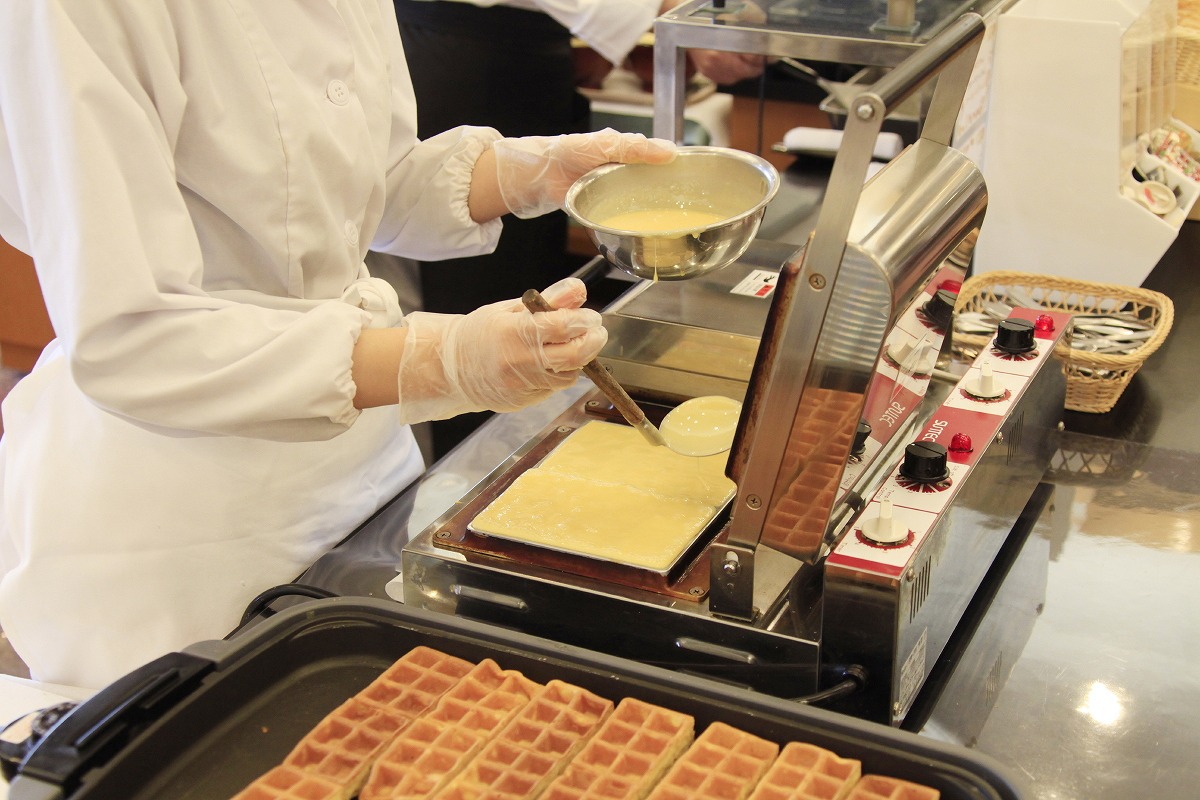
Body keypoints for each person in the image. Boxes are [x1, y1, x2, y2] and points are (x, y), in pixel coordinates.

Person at [0, 2, 676, 690]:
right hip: (178, 520)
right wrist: (441, 360)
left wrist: (533, 172)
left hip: (358, 480)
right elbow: (134, 335)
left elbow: (360, 189)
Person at [391, 0, 767, 457]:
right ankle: (476, 456)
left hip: (528, 57)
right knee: (480, 308)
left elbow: (394, 187)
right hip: (464, 53)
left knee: (532, 308)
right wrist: (445, 362)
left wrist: (527, 173)